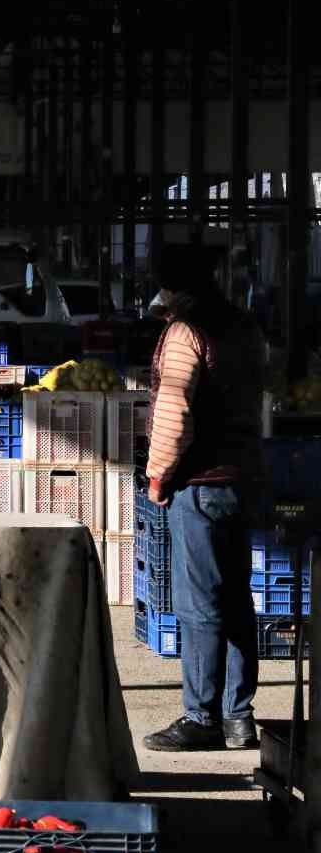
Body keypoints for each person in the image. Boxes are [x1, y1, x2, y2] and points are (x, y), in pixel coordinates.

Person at [140, 244, 267, 754]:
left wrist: (157, 478)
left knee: (200, 605)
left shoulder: (184, 333)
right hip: (244, 477)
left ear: (172, 291)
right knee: (237, 597)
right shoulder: (244, 327)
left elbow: (174, 416)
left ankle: (201, 717)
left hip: (199, 484)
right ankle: (239, 718)